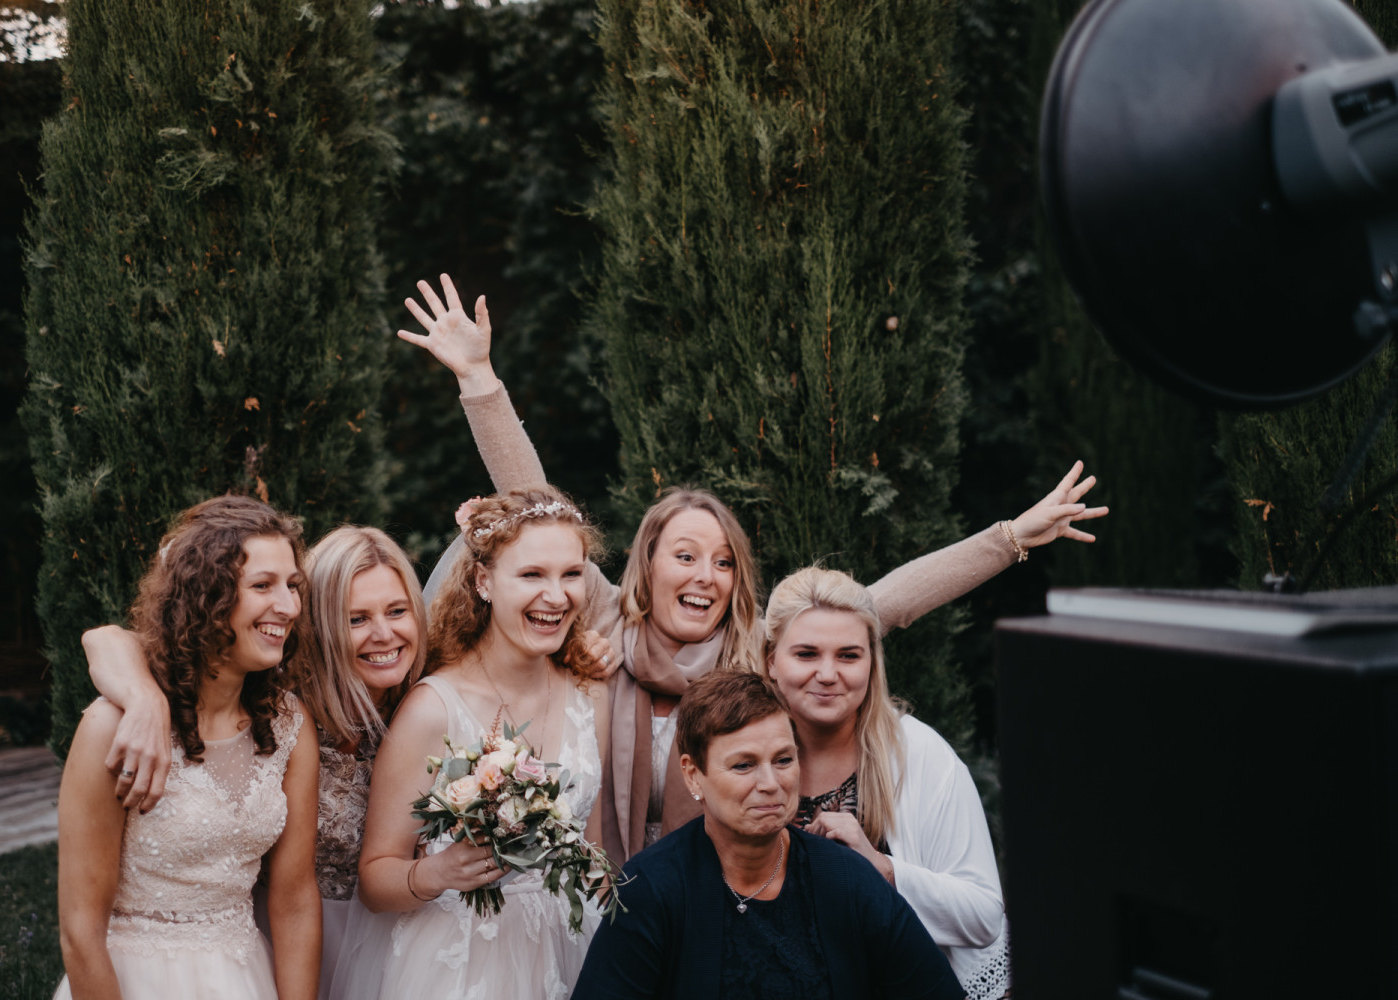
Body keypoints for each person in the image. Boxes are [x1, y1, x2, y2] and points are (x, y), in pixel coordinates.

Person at [397, 272, 1108, 864]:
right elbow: (539, 512)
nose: (706, 576)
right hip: (592, 890)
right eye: (685, 557)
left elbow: (883, 605)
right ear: (647, 567)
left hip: (712, 897)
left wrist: (1010, 537)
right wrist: (480, 380)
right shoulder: (603, 622)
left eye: (724, 562)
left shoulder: (750, 661)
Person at [80, 525, 430, 1000]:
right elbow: (106, 639)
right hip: (286, 948)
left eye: (396, 611)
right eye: (356, 619)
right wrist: (143, 698)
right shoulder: (279, 702)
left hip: (403, 938)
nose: (384, 634)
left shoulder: (430, 701)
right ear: (321, 625)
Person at [350, 486, 614, 1000]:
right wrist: (436, 872)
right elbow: (374, 879)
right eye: (532, 574)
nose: (557, 596)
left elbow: (592, 851)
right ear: (483, 580)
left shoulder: (590, 695)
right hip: (459, 961)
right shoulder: (434, 709)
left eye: (571, 574)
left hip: (570, 948)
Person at [53, 495, 321, 1000]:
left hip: (245, 978)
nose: (287, 606)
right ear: (205, 596)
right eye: (262, 586)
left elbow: (294, 899)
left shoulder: (288, 725)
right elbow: (80, 933)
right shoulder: (112, 727)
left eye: (292, 586)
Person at [571, 670, 964, 999]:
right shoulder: (651, 891)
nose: (770, 783)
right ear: (693, 773)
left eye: (783, 760)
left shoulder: (848, 880)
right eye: (744, 765)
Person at [764, 566, 1009, 1000]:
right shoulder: (747, 756)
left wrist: (883, 869)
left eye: (848, 655)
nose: (827, 673)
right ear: (771, 660)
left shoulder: (918, 754)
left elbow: (984, 916)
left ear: (872, 663)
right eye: (806, 654)